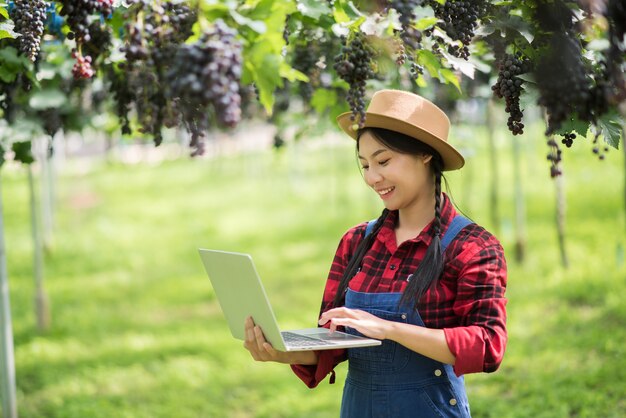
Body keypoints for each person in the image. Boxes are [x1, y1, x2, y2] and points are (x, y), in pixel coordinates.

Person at [243, 89, 507, 418]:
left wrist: (388, 328)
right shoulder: (356, 242)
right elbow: (334, 340)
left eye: (383, 161)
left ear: (425, 154)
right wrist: (282, 351)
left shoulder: (471, 246)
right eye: (365, 165)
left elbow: (487, 345)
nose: (372, 177)